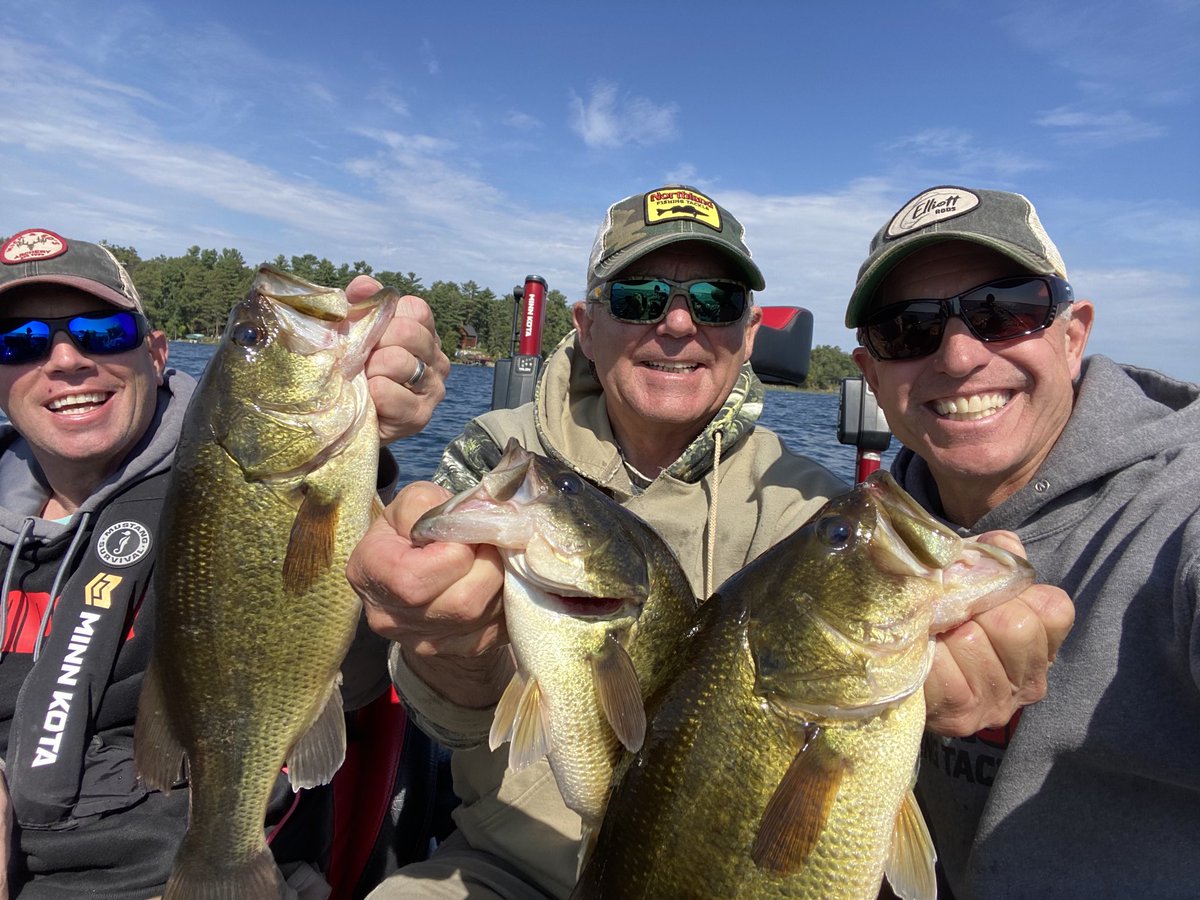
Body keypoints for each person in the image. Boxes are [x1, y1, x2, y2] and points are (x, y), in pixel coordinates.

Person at [346, 185, 1069, 900]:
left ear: (749, 333)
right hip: (502, 867)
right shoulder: (499, 463)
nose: (678, 324)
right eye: (639, 298)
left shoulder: (812, 512)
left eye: (716, 301)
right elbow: (428, 709)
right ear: (586, 325)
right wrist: (449, 654)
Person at [0, 228, 450, 899]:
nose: (65, 359)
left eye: (101, 331)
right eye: (20, 341)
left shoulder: (222, 479)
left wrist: (376, 465)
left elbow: (364, 668)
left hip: (213, 861)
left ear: (157, 354)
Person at [846, 185, 1199, 898]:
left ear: (1072, 338)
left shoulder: (1178, 511)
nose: (958, 355)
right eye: (907, 330)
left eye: (1005, 310)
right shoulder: (862, 542)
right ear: (872, 378)